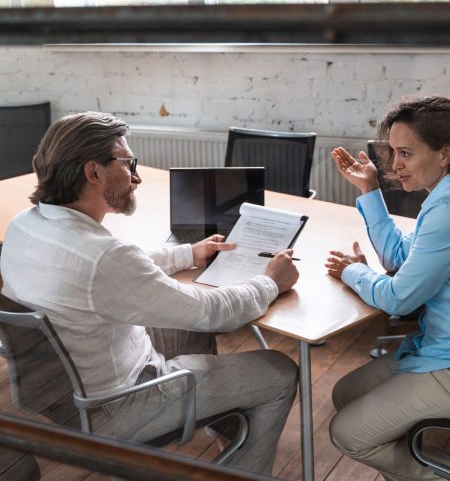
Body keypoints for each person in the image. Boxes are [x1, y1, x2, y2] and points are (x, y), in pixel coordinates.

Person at [0, 111, 300, 476]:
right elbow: (211, 310)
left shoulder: (26, 224)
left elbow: (120, 269)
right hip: (116, 407)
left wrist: (188, 253)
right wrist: (272, 281)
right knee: (279, 370)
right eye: (129, 164)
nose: (137, 176)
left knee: (192, 330)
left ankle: (227, 422)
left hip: (64, 393)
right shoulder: (104, 258)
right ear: (93, 173)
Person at [325, 95, 450, 481]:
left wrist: (353, 274)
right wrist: (369, 190)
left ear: (444, 154)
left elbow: (400, 295)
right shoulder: (439, 199)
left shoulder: (446, 209)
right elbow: (399, 259)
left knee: (347, 434)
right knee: (346, 394)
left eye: (406, 154)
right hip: (433, 347)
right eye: (393, 152)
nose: (395, 165)